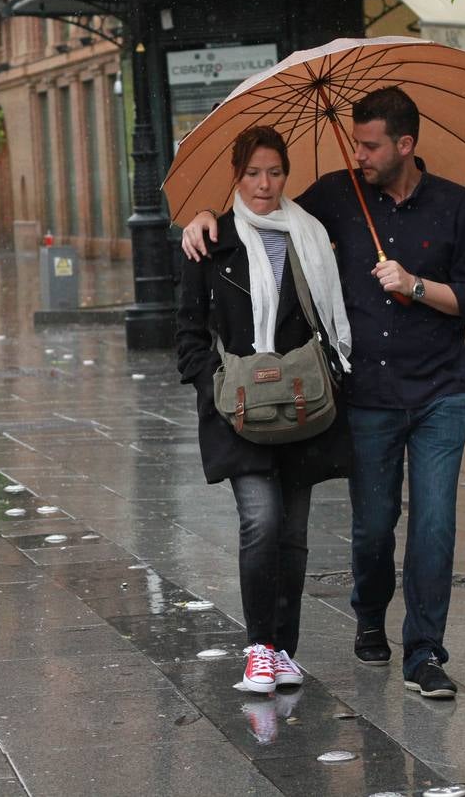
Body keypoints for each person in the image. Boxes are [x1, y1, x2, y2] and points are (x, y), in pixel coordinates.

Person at [181, 87, 465, 700]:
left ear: (406, 144)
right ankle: (369, 616)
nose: (360, 153)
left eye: (371, 144)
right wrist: (202, 216)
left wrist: (416, 286)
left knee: (434, 525)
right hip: (369, 395)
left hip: (439, 392)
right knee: (374, 528)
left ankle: (425, 652)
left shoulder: (456, 206)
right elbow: (266, 208)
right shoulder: (338, 196)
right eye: (355, 140)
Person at [176, 125, 353, 695]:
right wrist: (219, 385)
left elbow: (327, 321)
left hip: (301, 408)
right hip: (241, 413)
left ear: (287, 174)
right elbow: (187, 339)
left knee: (295, 534)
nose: (264, 183)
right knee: (262, 521)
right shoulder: (210, 240)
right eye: (252, 172)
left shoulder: (312, 237)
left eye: (275, 171)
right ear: (236, 175)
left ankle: (283, 651)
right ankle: (258, 648)